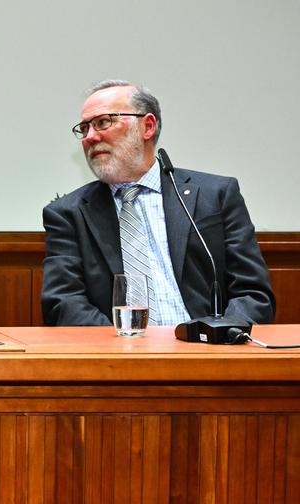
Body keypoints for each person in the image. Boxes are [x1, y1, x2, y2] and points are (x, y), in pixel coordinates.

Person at [41, 80, 275, 327]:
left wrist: (220, 337)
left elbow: (252, 293)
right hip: (117, 347)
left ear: (147, 126)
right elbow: (64, 302)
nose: (90, 137)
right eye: (84, 127)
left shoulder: (215, 195)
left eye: (103, 122)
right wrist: (120, 344)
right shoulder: (69, 213)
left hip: (207, 344)